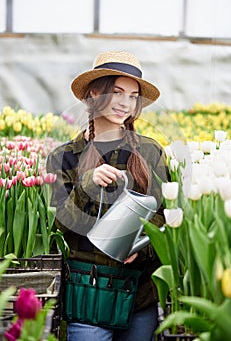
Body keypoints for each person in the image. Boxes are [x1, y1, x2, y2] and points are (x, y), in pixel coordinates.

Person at [46, 51, 170, 341]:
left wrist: (143, 247)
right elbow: (59, 226)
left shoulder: (150, 152)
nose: (125, 103)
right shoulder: (64, 157)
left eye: (132, 95)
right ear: (93, 94)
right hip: (89, 294)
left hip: (139, 295)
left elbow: (165, 218)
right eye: (116, 92)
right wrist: (86, 186)